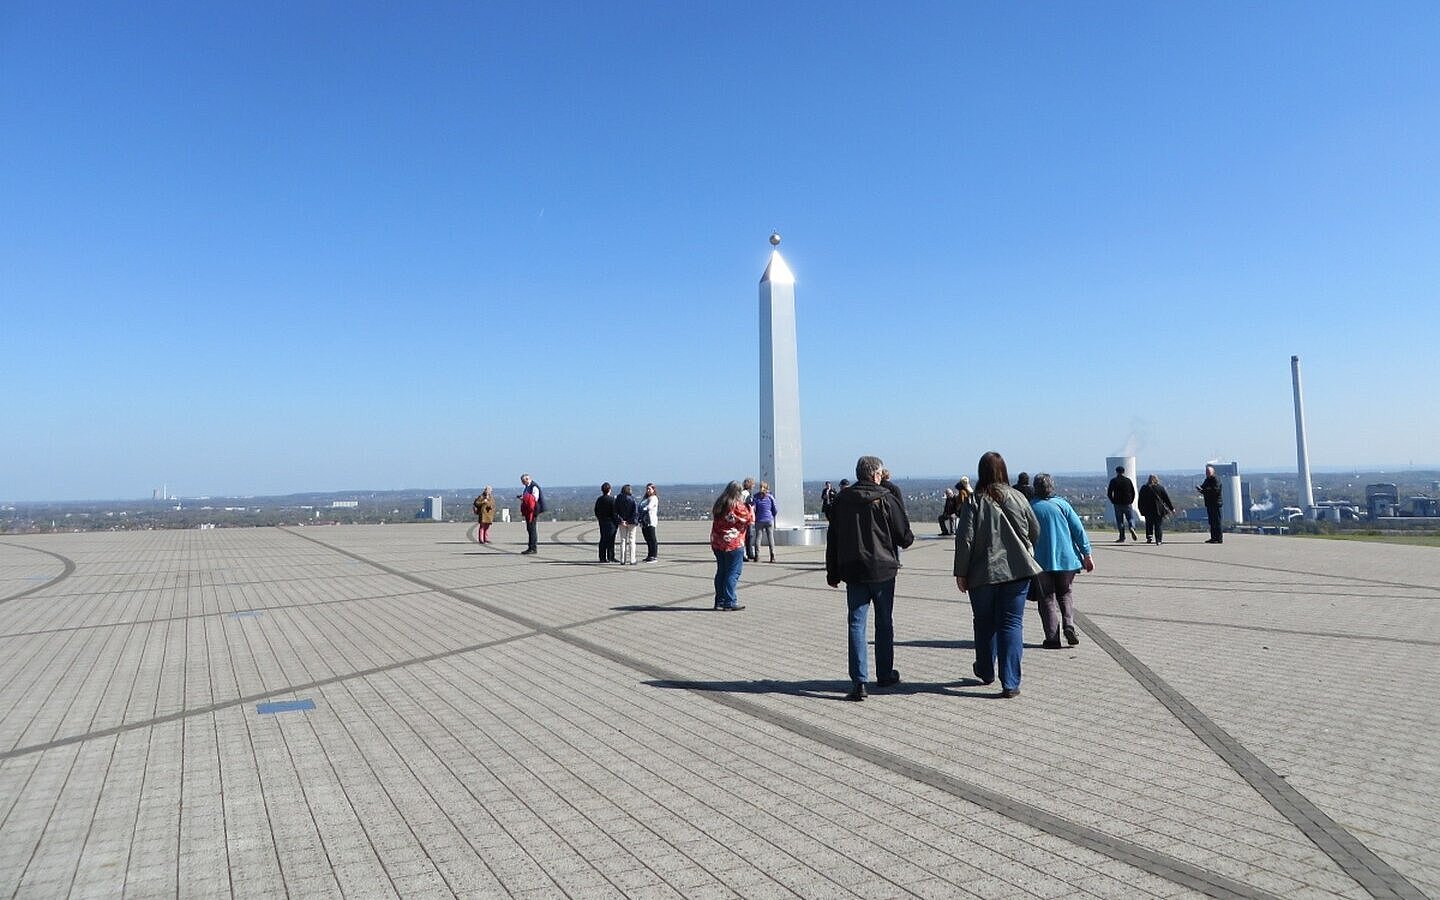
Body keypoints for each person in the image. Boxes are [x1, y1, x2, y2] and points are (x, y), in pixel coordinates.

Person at [826, 455, 915, 701]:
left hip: (853, 570)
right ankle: (884, 674)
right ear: (876, 475)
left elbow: (832, 539)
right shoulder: (886, 498)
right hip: (883, 569)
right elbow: (904, 537)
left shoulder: (842, 499)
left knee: (856, 623)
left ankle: (859, 681)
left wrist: (832, 572)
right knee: (884, 622)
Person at [954, 451, 1042, 699]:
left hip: (983, 573)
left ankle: (985, 669)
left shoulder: (974, 502)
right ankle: (1011, 681)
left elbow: (965, 540)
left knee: (983, 622)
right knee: (1011, 624)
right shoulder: (1018, 497)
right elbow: (1035, 530)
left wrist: (961, 572)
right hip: (1018, 572)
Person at [1029, 474, 1094, 649]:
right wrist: (1087, 554)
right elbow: (1078, 529)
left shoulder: (1030, 507)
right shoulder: (1062, 504)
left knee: (1047, 598)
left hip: (1040, 561)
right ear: (1052, 487)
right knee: (1065, 593)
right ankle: (1069, 625)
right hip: (1067, 559)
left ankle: (1052, 638)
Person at [710, 481, 754, 610]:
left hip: (718, 542)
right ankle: (730, 601)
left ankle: (720, 601)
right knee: (733, 572)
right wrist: (750, 506)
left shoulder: (719, 504)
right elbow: (749, 519)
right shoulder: (737, 506)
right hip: (733, 543)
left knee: (721, 572)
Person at [1137, 474, 1176, 545]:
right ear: (1156, 480)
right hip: (1158, 510)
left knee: (1149, 523)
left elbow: (1140, 500)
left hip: (1147, 509)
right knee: (1158, 525)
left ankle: (1149, 536)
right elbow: (1166, 499)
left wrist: (1140, 509)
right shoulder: (1160, 488)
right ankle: (1158, 540)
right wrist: (1172, 508)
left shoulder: (1144, 488)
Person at [1107, 466, 1139, 543]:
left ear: (1116, 472)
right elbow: (1133, 492)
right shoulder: (1128, 481)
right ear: (1123, 472)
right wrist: (1131, 500)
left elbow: (1109, 493)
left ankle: (1122, 537)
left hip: (1117, 503)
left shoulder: (1114, 481)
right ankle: (1132, 527)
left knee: (1120, 521)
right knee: (1130, 518)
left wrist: (1113, 501)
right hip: (1127, 503)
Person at [751, 482, 778, 562]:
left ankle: (757, 555)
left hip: (759, 519)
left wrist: (755, 516)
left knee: (758, 538)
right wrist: (772, 515)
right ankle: (772, 555)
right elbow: (775, 508)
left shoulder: (756, 497)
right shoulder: (770, 497)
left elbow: (754, 509)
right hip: (769, 519)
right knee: (770, 538)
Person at [615, 484, 640, 565]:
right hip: (631, 523)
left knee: (623, 540)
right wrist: (629, 521)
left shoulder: (618, 499)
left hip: (622, 522)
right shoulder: (633, 500)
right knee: (632, 540)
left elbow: (615, 511)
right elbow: (635, 512)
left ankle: (622, 559)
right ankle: (632, 559)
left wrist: (622, 520)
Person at [593, 483, 618, 563]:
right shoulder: (612, 500)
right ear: (609, 490)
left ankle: (602, 557)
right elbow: (614, 512)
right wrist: (616, 521)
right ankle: (611, 556)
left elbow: (596, 510)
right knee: (611, 540)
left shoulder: (599, 499)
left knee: (603, 539)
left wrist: (600, 518)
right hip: (611, 522)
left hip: (602, 521)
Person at [1198, 465, 1224, 543]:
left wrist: (1204, 490)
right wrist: (1200, 488)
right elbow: (1204, 487)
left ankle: (1219, 538)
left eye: (1208, 472)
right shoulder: (1207, 480)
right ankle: (1213, 537)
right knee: (1212, 522)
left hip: (1216, 504)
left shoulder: (1216, 480)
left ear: (1213, 472)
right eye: (1206, 472)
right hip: (1209, 504)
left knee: (1217, 521)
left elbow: (1215, 490)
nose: (1207, 473)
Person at [518, 474, 542, 554]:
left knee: (532, 529)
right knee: (529, 529)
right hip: (528, 511)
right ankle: (530, 547)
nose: (522, 483)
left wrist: (524, 498)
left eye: (523, 481)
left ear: (527, 479)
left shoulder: (534, 487)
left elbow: (534, 498)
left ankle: (533, 548)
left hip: (533, 511)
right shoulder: (527, 487)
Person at [640, 483, 660, 562]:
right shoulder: (645, 498)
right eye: (647, 489)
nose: (648, 490)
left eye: (649, 489)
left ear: (653, 490)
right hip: (644, 521)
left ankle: (654, 555)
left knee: (652, 539)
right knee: (647, 539)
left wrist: (642, 509)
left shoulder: (654, 498)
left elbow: (649, 507)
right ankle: (649, 554)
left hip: (650, 521)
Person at [741, 477, 759, 562]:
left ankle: (748, 553)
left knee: (747, 536)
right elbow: (749, 504)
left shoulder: (743, 493)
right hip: (746, 517)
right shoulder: (746, 494)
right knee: (748, 536)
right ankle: (747, 553)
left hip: (744, 517)